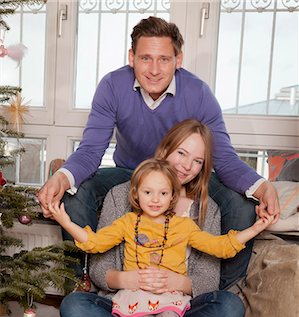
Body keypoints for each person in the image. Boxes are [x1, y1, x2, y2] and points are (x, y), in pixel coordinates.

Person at [37, 16, 279, 290]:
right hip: (131, 171)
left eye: (164, 59)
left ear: (179, 59)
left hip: (186, 176)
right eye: (145, 58)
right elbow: (91, 150)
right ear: (132, 57)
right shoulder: (112, 86)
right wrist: (62, 177)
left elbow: (224, 158)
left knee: (242, 205)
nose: (154, 69)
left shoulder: (198, 93)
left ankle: (216, 296)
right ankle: (82, 288)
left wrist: (262, 187)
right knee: (76, 192)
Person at [49, 158, 273, 317]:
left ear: (172, 196)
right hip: (135, 299)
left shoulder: (183, 226)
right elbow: (94, 243)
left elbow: (219, 247)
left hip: (169, 298)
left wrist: (255, 229)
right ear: (136, 194)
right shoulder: (127, 223)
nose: (155, 200)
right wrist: (66, 222)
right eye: (148, 192)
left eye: (163, 193)